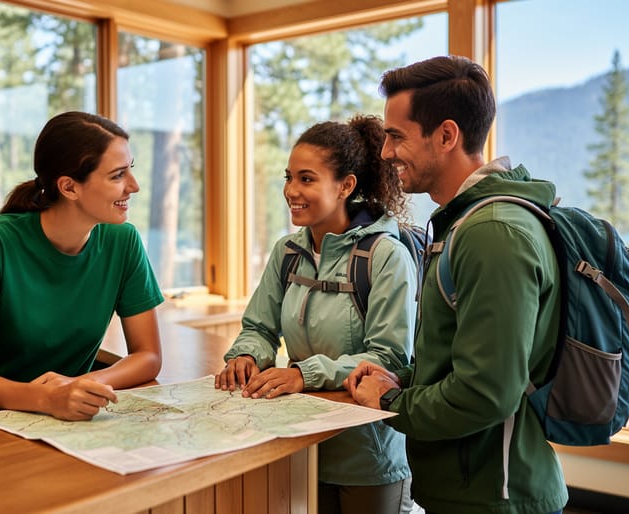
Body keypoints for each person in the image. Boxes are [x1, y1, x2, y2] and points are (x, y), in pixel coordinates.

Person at [345, 55, 569, 514]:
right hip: (475, 491)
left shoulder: (493, 234)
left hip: (495, 497)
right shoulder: (465, 225)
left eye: (396, 136)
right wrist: (403, 380)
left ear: (446, 135)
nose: (385, 153)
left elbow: (486, 392)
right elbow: (462, 361)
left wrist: (390, 401)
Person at [215, 115, 417, 514]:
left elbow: (389, 359)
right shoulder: (287, 252)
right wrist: (246, 355)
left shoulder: (386, 256)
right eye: (288, 177)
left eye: (306, 179)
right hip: (302, 445)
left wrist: (302, 375)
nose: (291, 190)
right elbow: (259, 326)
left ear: (346, 185)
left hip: (368, 457)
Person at [0, 111, 163, 422]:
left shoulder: (123, 241)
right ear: (69, 187)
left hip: (52, 422)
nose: (135, 186)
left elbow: (149, 355)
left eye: (130, 169)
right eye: (117, 175)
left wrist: (79, 386)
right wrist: (46, 398)